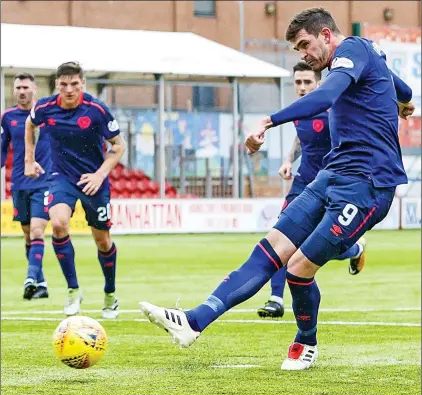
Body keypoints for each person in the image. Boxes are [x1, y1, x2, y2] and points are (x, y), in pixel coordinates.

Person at [139, 7, 414, 370]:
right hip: (331, 175)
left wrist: (270, 120)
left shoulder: (352, 52)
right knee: (269, 249)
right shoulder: (367, 55)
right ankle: (193, 321)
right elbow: (404, 88)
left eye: (305, 45)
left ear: (327, 35)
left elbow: (327, 96)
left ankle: (305, 343)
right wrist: (405, 101)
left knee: (298, 269)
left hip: (368, 184)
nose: (303, 55)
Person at [257, 62, 366, 319]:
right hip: (303, 182)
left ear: (319, 83)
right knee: (280, 236)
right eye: (298, 82)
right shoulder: (297, 111)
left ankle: (356, 250)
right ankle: (275, 299)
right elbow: (300, 139)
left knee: (325, 247)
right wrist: (287, 160)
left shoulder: (333, 110)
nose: (302, 88)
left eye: (307, 82)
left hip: (332, 185)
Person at [24, 61, 126, 319]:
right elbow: (30, 123)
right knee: (58, 225)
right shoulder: (46, 107)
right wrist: (29, 158)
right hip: (61, 177)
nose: (69, 89)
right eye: (63, 84)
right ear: (57, 85)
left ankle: (110, 293)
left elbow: (119, 145)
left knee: (102, 240)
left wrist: (100, 174)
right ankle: (73, 290)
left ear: (83, 84)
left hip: (94, 179)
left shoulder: (96, 110)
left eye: (74, 84)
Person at [1, 73, 51, 300]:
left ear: (35, 90)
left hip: (44, 183)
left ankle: (30, 279)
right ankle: (41, 284)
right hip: (20, 184)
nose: (22, 91)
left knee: (37, 231)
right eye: (18, 87)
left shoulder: (47, 114)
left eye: (25, 87)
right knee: (28, 236)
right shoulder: (7, 117)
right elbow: (2, 149)